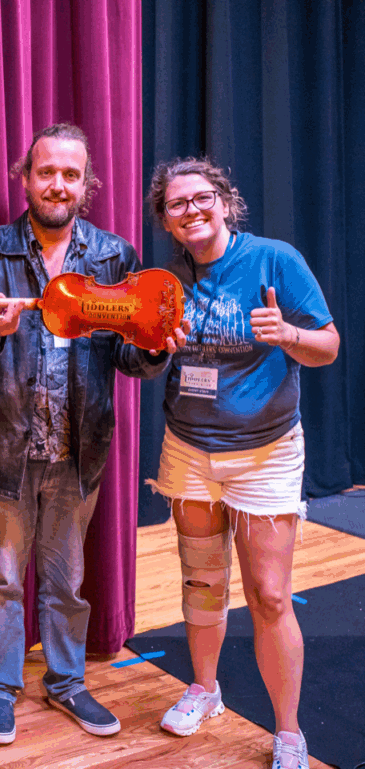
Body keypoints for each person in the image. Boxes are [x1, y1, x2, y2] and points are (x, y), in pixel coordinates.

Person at [0, 123, 184, 744]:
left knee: (67, 580)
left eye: (70, 175)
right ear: (25, 178)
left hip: (78, 452)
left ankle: (66, 681)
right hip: (1, 451)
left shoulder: (114, 258)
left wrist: (156, 350)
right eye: (46, 172)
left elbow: (127, 358)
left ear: (87, 185)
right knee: (3, 580)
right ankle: (0, 686)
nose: (57, 184)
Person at [145, 157, 339, 769]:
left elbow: (328, 346)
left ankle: (288, 731)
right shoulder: (163, 279)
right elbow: (146, 359)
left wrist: (288, 334)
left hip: (265, 454)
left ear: (226, 202)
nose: (192, 211)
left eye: (202, 198)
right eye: (177, 205)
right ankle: (206, 689)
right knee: (202, 583)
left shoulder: (273, 259)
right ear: (167, 222)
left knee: (271, 596)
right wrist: (149, 347)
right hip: (189, 450)